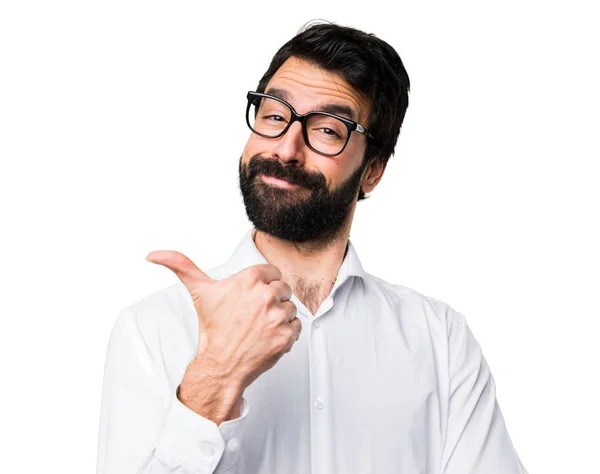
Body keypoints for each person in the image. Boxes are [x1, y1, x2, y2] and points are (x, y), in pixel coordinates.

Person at [97, 21, 528, 474]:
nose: (285, 148)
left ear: (372, 172)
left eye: (327, 130)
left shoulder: (439, 338)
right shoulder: (153, 328)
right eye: (275, 115)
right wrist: (216, 376)